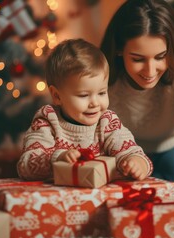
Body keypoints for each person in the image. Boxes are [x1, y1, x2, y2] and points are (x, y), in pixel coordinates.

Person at [100, 0, 174, 209]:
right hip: (123, 151)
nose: (150, 71)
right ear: (119, 50)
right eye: (138, 59)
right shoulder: (101, 67)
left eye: (160, 57)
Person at [17, 38, 153, 182]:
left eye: (101, 93)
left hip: (100, 197)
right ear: (57, 96)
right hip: (60, 197)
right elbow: (26, 166)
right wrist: (58, 158)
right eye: (83, 95)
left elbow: (129, 150)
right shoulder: (48, 121)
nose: (95, 103)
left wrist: (137, 162)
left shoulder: (107, 122)